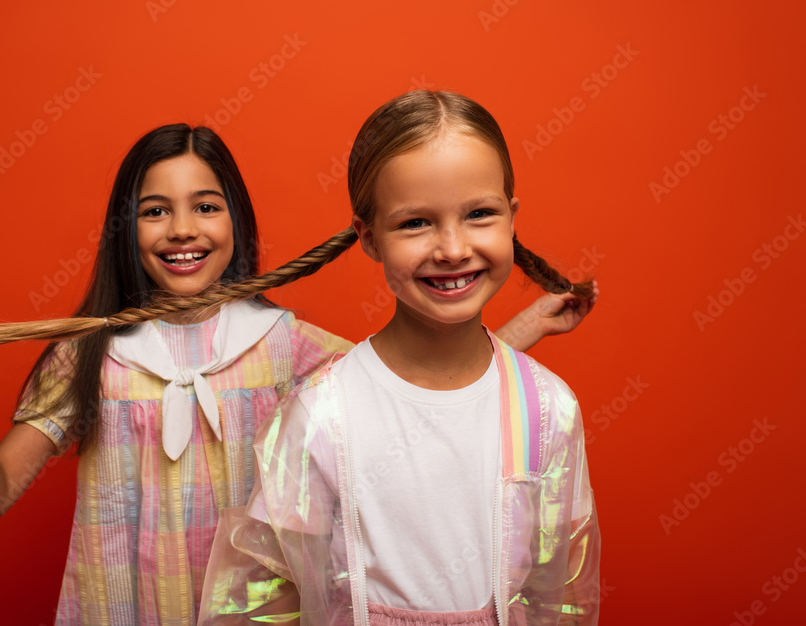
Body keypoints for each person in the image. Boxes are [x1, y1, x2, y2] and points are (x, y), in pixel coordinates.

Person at [0, 123, 594, 625]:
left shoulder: (288, 348)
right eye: (155, 210)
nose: (182, 229)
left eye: (206, 206)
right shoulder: (90, 356)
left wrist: (526, 326)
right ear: (126, 227)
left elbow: (415, 387)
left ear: (236, 219)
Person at [197, 91, 601, 626]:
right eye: (415, 223)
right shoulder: (321, 416)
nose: (452, 249)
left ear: (511, 218)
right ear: (368, 237)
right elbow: (261, 601)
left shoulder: (549, 410)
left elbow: (563, 594)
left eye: (479, 214)